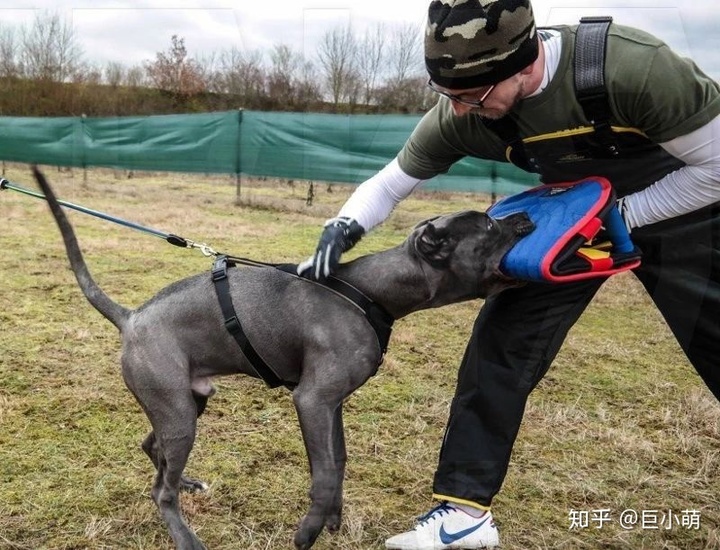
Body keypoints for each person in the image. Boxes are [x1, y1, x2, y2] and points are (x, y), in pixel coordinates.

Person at [298, 0, 720, 548]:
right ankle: (465, 516)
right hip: (569, 215)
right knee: (501, 345)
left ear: (524, 63)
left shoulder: (634, 69)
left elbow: (715, 167)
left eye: (472, 96)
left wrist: (617, 219)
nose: (460, 110)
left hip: (682, 206)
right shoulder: (465, 106)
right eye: (447, 96)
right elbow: (391, 181)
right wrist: (343, 227)